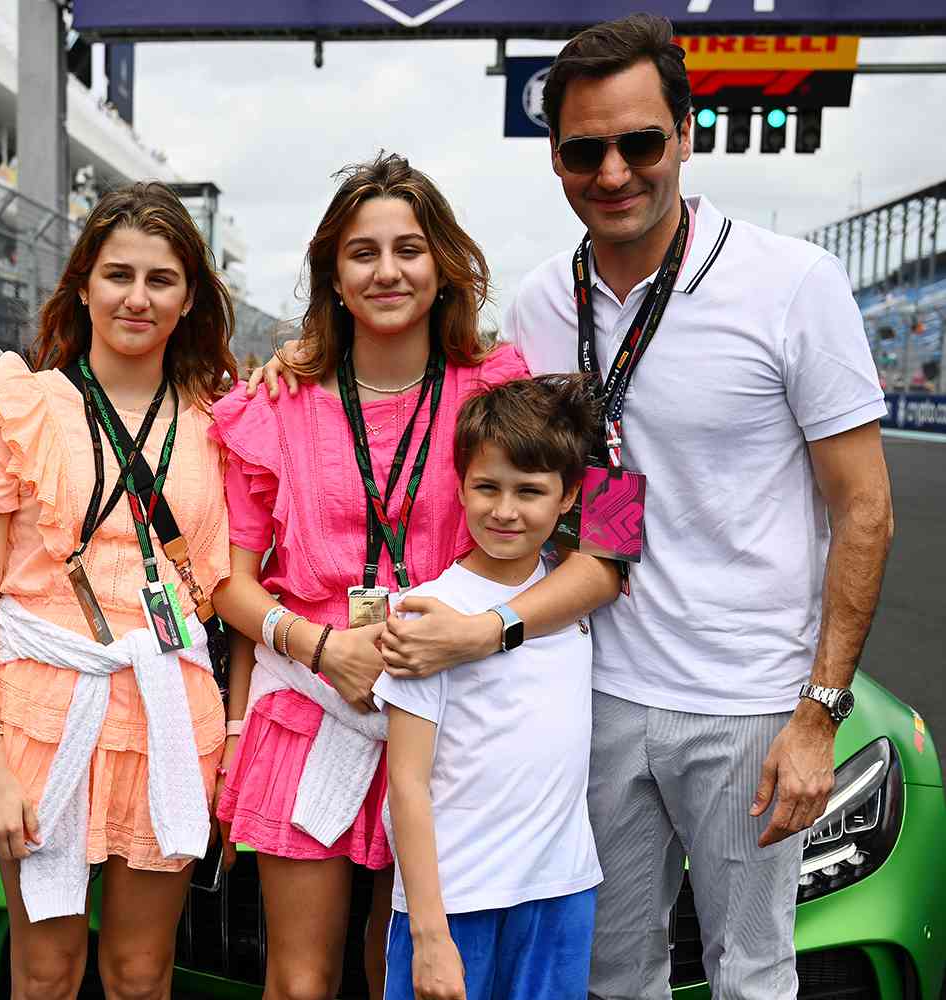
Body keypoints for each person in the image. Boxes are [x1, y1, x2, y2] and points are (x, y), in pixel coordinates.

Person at [516, 17, 891, 997]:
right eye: (583, 149)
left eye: (640, 142)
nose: (613, 171)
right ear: (554, 157)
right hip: (589, 692)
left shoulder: (793, 283)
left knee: (752, 975)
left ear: (687, 133)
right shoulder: (536, 306)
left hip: (750, 706)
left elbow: (864, 508)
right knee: (610, 976)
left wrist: (818, 715)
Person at [211, 154, 617, 1000]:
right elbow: (229, 584)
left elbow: (615, 537)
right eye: (363, 252)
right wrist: (323, 648)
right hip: (315, 706)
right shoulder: (274, 403)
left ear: (444, 266)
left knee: (406, 967)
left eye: (409, 249)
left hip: (456, 720)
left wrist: (486, 630)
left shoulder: (503, 384)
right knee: (299, 979)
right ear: (332, 272)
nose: (387, 271)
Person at [0, 181, 236, 1000]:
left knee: (142, 973)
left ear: (189, 300)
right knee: (45, 973)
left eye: (161, 279)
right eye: (117, 275)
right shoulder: (21, 405)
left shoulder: (221, 423)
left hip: (168, 713)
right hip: (39, 710)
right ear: (83, 284)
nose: (136, 298)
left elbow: (224, 588)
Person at [376, 375, 604, 1000]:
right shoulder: (428, 612)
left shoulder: (580, 588)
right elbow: (406, 782)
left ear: (569, 498)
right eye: (487, 487)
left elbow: (617, 553)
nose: (505, 510)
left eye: (530, 491)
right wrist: (429, 933)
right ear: (461, 485)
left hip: (561, 889)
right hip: (458, 901)